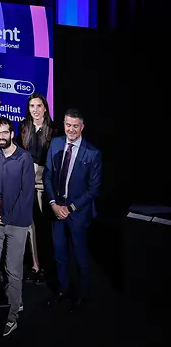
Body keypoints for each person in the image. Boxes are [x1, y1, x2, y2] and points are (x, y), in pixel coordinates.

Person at [44, 108, 102, 310]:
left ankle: (82, 294)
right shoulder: (56, 143)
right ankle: (62, 289)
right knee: (60, 254)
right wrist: (53, 204)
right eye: (68, 125)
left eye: (75, 126)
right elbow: (48, 176)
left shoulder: (93, 153)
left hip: (77, 213)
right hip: (56, 209)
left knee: (80, 256)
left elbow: (93, 189)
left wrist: (70, 208)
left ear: (82, 127)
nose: (71, 129)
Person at [0, 117, 35, 336]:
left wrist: (7, 217)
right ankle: (18, 301)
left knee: (13, 269)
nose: (1, 137)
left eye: (4, 133)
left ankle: (12, 317)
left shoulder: (24, 158)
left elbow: (27, 195)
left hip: (16, 222)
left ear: (12, 133)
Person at [17, 93, 55, 283]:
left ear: (45, 108)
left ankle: (47, 265)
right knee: (29, 225)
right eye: (32, 106)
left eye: (39, 105)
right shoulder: (24, 126)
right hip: (27, 181)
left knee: (44, 225)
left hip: (45, 182)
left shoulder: (54, 129)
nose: (36, 109)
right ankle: (34, 265)